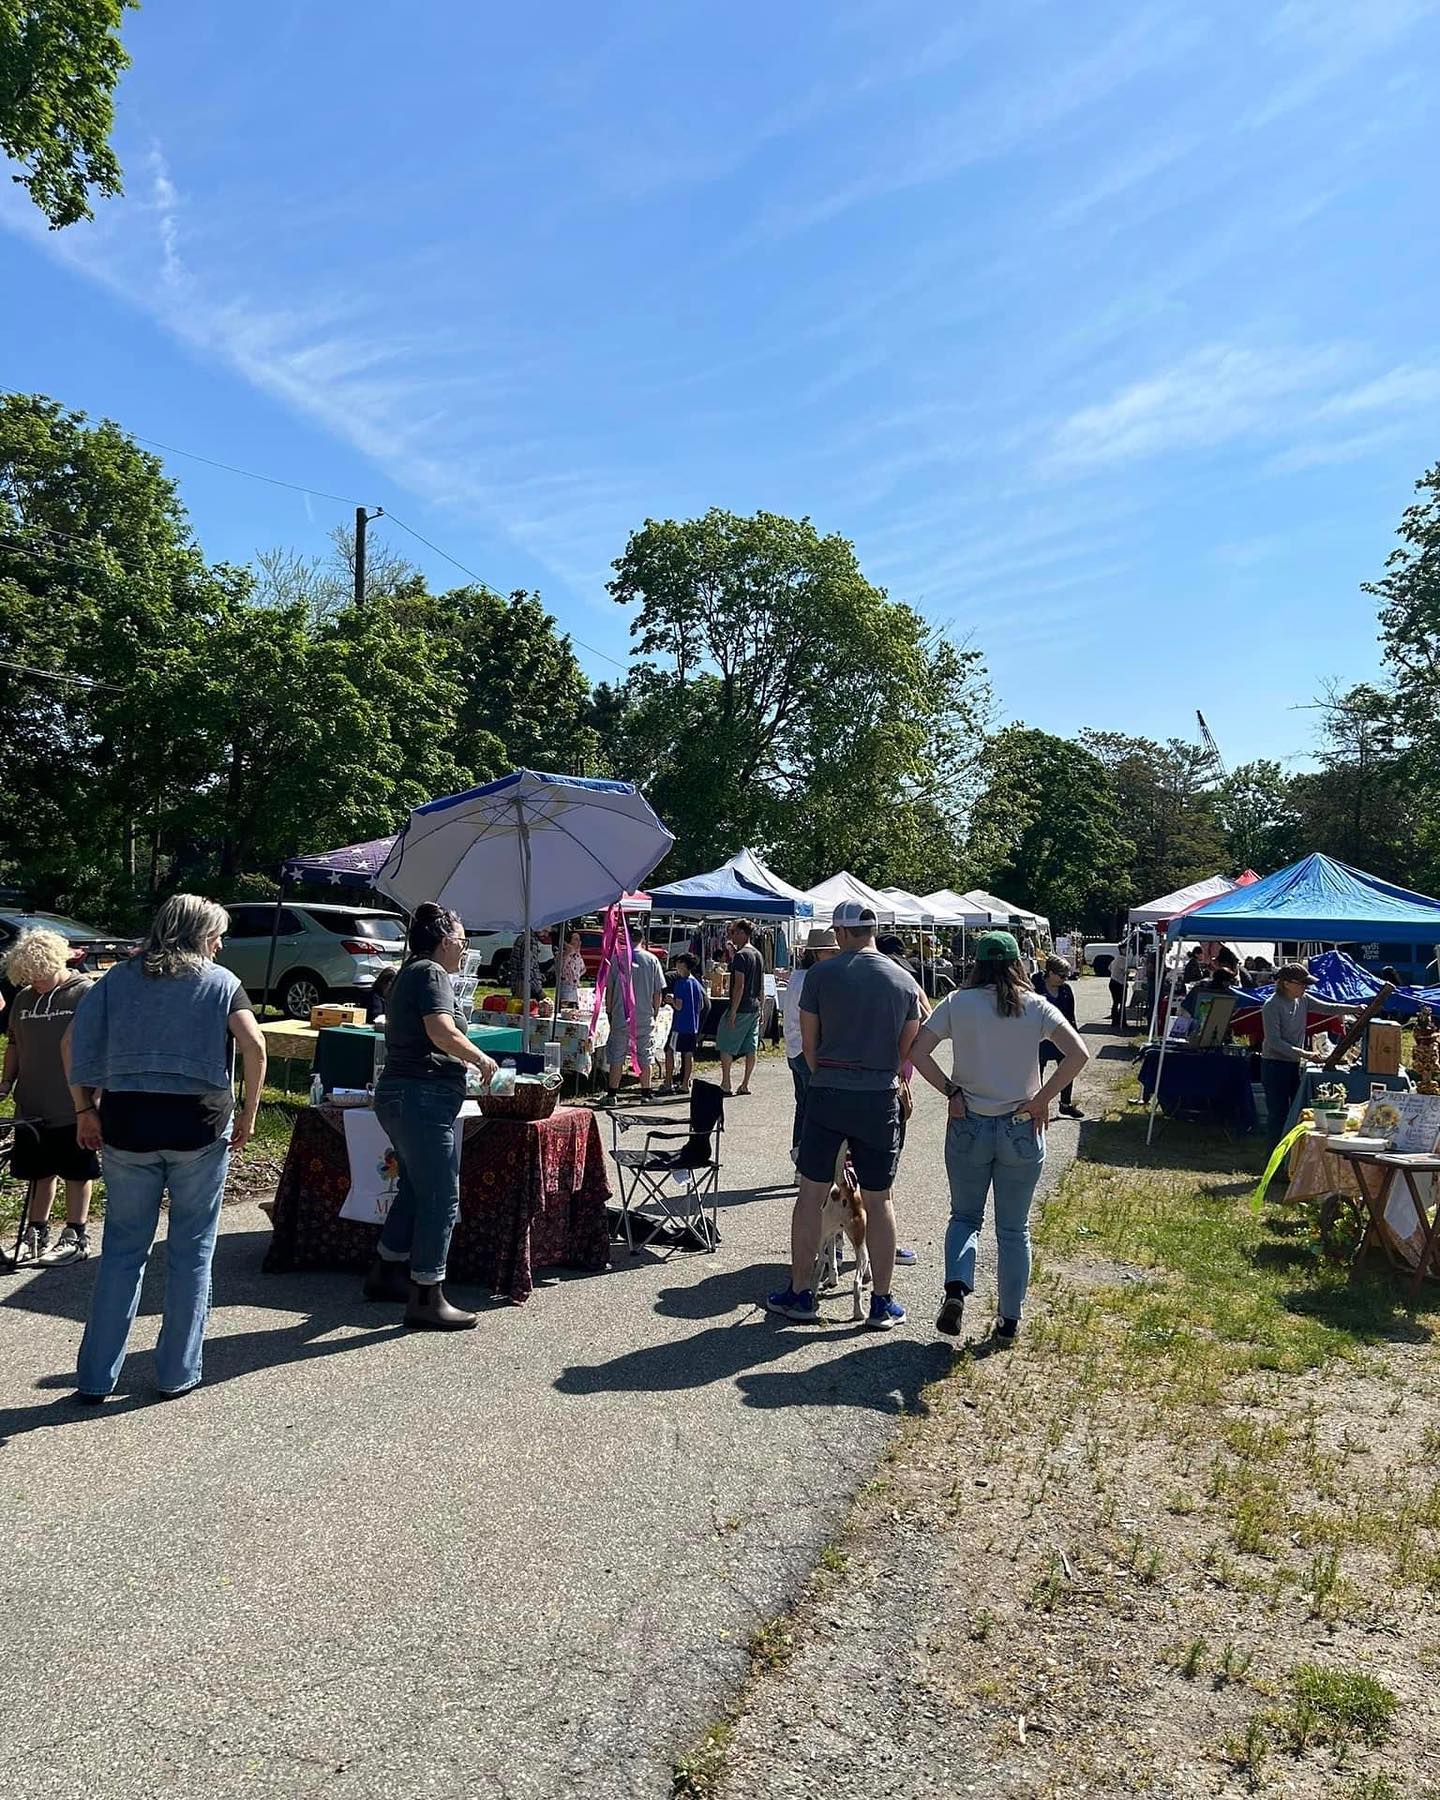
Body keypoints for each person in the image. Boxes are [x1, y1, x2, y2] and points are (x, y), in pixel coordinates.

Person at [67, 895, 267, 1401]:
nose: (221, 944)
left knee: (122, 1250)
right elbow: (254, 1045)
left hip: (128, 1121)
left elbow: (72, 1041)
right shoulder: (220, 982)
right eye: (217, 934)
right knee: (192, 1249)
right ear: (198, 935)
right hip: (198, 1125)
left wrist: (85, 1108)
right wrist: (247, 1111)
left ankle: (95, 1377)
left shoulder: (116, 979)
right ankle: (177, 1372)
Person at [911, 931, 1089, 1344]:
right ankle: (1009, 1320)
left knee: (964, 1217)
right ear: (1018, 963)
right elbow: (1078, 1053)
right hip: (1020, 1127)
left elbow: (918, 1051)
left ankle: (956, 1288)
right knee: (1013, 1230)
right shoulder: (1036, 1006)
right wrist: (1042, 1099)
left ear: (976, 962)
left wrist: (950, 1091)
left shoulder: (957, 1003)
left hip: (969, 1122)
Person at [767, 901, 919, 1331]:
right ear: (872, 930)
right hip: (879, 1095)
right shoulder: (903, 979)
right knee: (879, 1198)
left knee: (811, 1195)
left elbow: (808, 1046)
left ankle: (800, 1294)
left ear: (840, 932)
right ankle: (881, 1302)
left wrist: (827, 1076)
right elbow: (909, 1048)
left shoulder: (820, 975)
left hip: (829, 1090)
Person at [364, 904, 500, 1330]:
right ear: (445, 941)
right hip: (420, 1096)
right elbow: (441, 1030)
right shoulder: (431, 973)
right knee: (442, 1195)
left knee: (415, 1189)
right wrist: (481, 1059)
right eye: (462, 939)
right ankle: (426, 1295)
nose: (465, 947)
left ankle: (387, 1271)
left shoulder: (414, 970)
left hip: (405, 1096)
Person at [0, 929, 98, 1265]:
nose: (34, 982)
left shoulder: (85, 993)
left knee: (76, 1169)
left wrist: (95, 1097)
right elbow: (14, 1044)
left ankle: (75, 1235)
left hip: (74, 1104)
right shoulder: (24, 999)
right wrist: (5, 1083)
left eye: (39, 974)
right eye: (27, 976)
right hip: (32, 1102)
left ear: (56, 961)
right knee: (37, 1171)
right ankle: (35, 1233)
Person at [781, 927, 840, 1161]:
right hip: (808, 1049)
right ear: (817, 953)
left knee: (803, 1105)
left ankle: (800, 1154)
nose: (835, 956)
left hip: (794, 1049)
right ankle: (807, 1159)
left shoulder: (797, 975)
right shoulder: (813, 978)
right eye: (831, 952)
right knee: (815, 1109)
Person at [600, 934, 666, 1104]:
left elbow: (610, 989)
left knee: (617, 1055)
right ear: (643, 940)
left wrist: (609, 1011)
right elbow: (658, 991)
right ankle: (646, 1093)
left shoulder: (617, 959)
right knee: (645, 1054)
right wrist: (655, 1011)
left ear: (627, 939)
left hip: (621, 1015)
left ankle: (612, 1094)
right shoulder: (652, 960)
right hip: (644, 1015)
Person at [1260, 963, 1315, 1149]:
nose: (1305, 987)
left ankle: (1289, 1159)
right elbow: (1275, 1042)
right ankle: (1272, 1159)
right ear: (1286, 984)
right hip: (1274, 1066)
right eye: (1301, 984)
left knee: (1296, 1112)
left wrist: (1355, 1009)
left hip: (1292, 1065)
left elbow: (1329, 1007)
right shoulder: (1271, 1006)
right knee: (1278, 1114)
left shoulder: (1303, 999)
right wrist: (1305, 1054)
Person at [717, 919, 764, 1097]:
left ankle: (726, 1083)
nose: (732, 935)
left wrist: (733, 1011)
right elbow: (761, 984)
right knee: (750, 1047)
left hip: (742, 1006)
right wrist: (762, 1007)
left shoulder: (741, 956)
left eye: (734, 932)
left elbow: (739, 985)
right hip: (754, 1006)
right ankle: (745, 1084)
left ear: (743, 933)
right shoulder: (758, 954)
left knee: (725, 1043)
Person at [1035, 954, 1084, 1119]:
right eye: (1061, 975)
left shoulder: (1066, 990)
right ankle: (1038, 1103)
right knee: (1036, 1072)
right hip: (1039, 1037)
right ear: (1050, 973)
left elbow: (1071, 1015)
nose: (1065, 979)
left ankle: (1065, 1104)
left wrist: (1075, 1035)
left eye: (1067, 975)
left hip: (1060, 1036)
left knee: (1067, 1068)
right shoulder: (1034, 988)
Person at [662, 952, 706, 1095]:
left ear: (683, 965)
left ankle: (668, 1082)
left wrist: (671, 1000)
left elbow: (679, 1006)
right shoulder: (696, 983)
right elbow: (701, 1005)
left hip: (679, 1025)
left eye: (678, 963)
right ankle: (685, 1083)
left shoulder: (681, 983)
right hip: (692, 1025)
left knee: (669, 1051)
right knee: (688, 1054)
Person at [558, 929, 586, 1009]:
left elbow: (583, 969)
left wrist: (577, 977)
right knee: (566, 1011)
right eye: (576, 939)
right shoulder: (563, 955)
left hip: (575, 989)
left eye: (579, 940)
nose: (579, 942)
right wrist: (569, 951)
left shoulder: (577, 956)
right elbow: (560, 969)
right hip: (565, 989)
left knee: (575, 1012)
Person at [1108, 945, 1129, 1029]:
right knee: (1121, 1003)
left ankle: (1115, 1021)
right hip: (1118, 983)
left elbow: (1109, 967)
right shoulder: (1122, 959)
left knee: (1116, 1002)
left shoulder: (1116, 959)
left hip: (1113, 981)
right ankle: (1121, 1022)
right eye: (1126, 949)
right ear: (1122, 950)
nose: (1128, 951)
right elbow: (1125, 971)